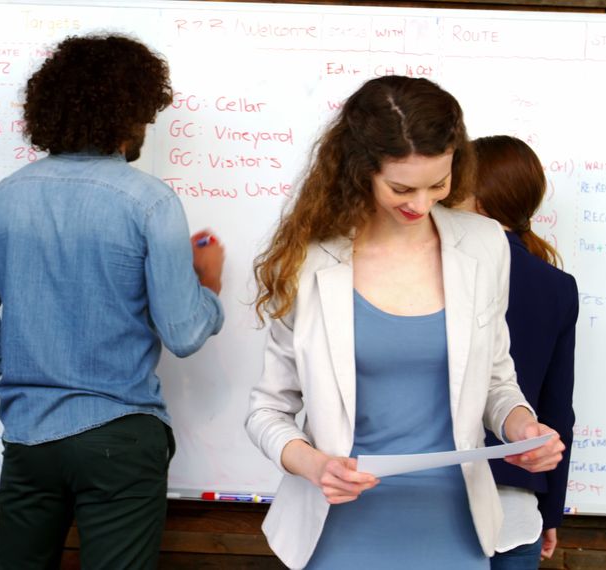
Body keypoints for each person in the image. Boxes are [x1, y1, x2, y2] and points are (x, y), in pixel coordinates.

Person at [245, 75, 565, 570]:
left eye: (439, 184)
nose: (421, 204)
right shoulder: (309, 261)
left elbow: (498, 381)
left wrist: (522, 428)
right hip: (339, 523)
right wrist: (316, 465)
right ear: (360, 170)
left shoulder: (483, 244)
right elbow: (268, 411)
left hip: (456, 525)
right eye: (401, 188)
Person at [0, 34, 225, 570]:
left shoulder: (8, 194)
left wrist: (28, 366)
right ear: (130, 114)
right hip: (120, 434)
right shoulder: (149, 202)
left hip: (30, 437)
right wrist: (207, 285)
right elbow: (185, 334)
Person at [459, 135, 578, 568]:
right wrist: (550, 512)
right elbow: (557, 413)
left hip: (435, 506)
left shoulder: (438, 270)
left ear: (477, 196)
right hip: (516, 511)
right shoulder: (557, 287)